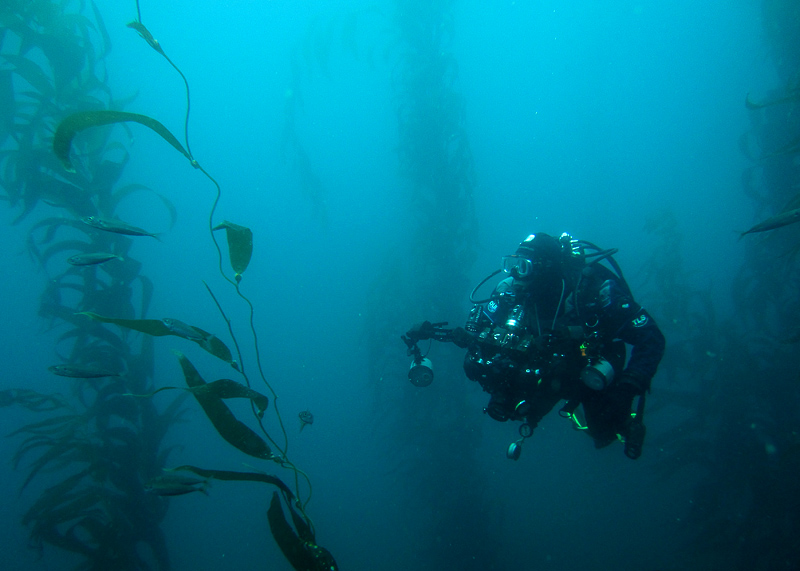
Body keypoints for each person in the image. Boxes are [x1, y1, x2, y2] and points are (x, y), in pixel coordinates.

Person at [403, 232, 665, 460]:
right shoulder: (511, 291)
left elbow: (651, 337)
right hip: (544, 367)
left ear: (546, 268)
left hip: (584, 366)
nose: (516, 274)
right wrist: (443, 333)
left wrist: (631, 383)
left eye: (524, 267)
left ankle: (612, 417)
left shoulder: (594, 291)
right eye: (512, 265)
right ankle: (525, 405)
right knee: (482, 369)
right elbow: (479, 331)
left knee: (605, 430)